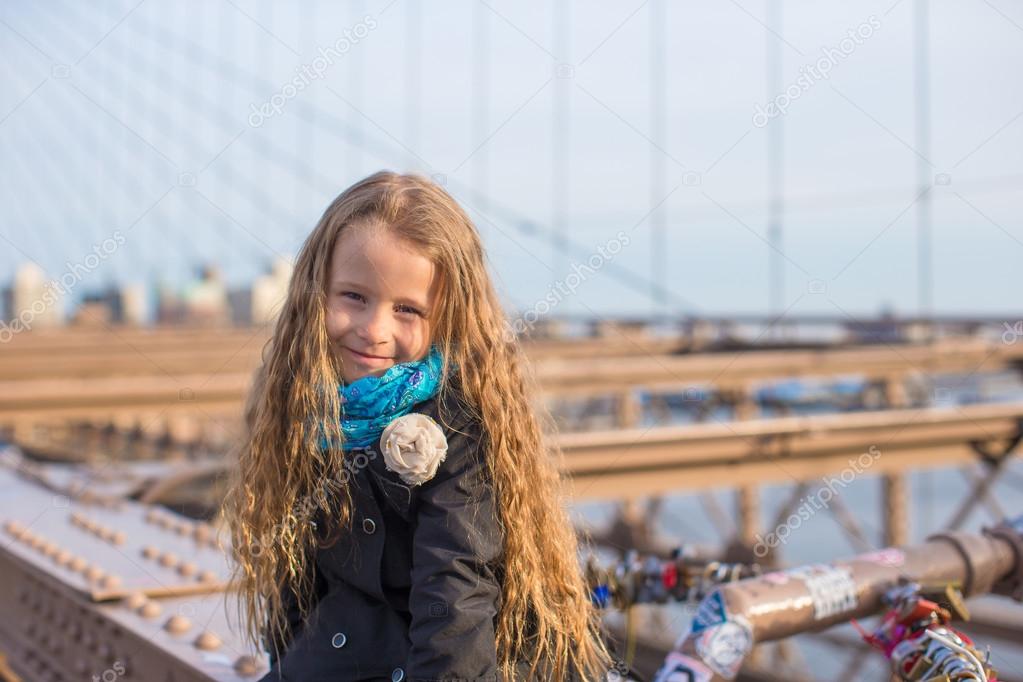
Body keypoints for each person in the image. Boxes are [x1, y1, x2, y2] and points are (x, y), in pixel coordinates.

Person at [223, 171, 624, 681]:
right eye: (353, 297)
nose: (373, 330)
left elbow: (455, 598)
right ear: (314, 292)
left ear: (447, 320)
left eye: (407, 309)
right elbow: (294, 584)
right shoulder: (304, 406)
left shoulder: (461, 422)